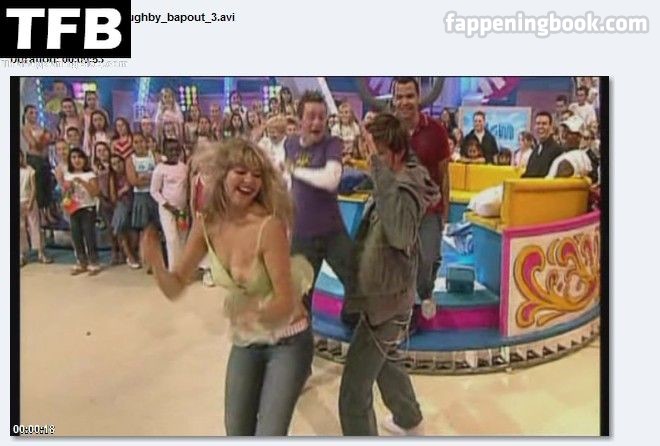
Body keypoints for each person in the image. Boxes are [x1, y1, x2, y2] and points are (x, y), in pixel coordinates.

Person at [141, 138, 315, 436]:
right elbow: (176, 286)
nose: (250, 181)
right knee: (236, 431)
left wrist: (256, 315)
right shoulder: (206, 223)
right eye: (240, 171)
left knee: (269, 434)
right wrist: (157, 264)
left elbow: (285, 302)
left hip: (287, 341)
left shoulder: (268, 226)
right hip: (247, 341)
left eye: (257, 175)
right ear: (222, 175)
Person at [339, 113, 438, 436]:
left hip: (388, 303)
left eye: (378, 153)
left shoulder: (409, 184)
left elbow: (399, 232)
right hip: (383, 295)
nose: (374, 160)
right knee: (386, 361)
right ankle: (409, 418)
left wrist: (376, 168)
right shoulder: (393, 176)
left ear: (396, 152)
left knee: (353, 392)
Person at [284, 90, 355, 314]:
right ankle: (303, 334)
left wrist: (295, 170)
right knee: (300, 296)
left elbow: (331, 180)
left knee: (358, 281)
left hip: (333, 232)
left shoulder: (332, 143)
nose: (316, 122)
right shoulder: (290, 144)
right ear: (300, 120)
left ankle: (352, 318)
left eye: (321, 117)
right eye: (311, 117)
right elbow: (287, 181)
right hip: (302, 234)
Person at [392, 77, 450, 323]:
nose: (405, 102)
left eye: (409, 96)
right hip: (399, 210)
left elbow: (444, 174)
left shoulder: (436, 131)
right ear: (394, 100)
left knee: (428, 257)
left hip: (430, 209)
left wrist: (445, 212)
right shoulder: (389, 131)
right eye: (400, 97)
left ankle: (425, 293)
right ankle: (404, 308)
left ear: (419, 98)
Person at [521, 111, 563, 178]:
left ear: (551, 127)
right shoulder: (535, 150)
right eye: (538, 123)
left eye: (544, 124)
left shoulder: (557, 150)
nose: (540, 126)